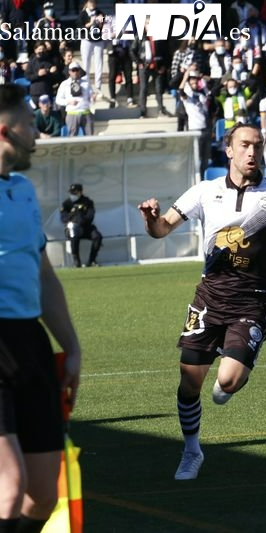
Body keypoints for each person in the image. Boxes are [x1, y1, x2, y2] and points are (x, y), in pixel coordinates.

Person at [137, 123, 266, 481]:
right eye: (245, 145)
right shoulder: (204, 191)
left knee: (227, 382)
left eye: (258, 146)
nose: (252, 152)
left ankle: (237, 364)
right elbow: (162, 228)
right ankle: (192, 450)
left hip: (252, 301)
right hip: (209, 296)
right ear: (229, 150)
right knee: (189, 384)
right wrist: (151, 219)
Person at [0, 83, 81, 533]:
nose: (37, 133)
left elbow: (43, 274)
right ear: (5, 131)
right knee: (8, 486)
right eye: (30, 124)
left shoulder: (23, 190)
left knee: (43, 494)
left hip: (29, 340)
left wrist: (70, 346)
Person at [60, 183, 102, 268]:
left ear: (80, 192)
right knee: (73, 236)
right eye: (71, 193)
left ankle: (92, 260)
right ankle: (77, 261)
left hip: (85, 227)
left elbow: (90, 216)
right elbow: (63, 217)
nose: (73, 195)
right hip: (72, 228)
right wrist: (71, 221)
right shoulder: (67, 203)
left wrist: (81, 221)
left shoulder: (87, 202)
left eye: (75, 193)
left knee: (97, 236)